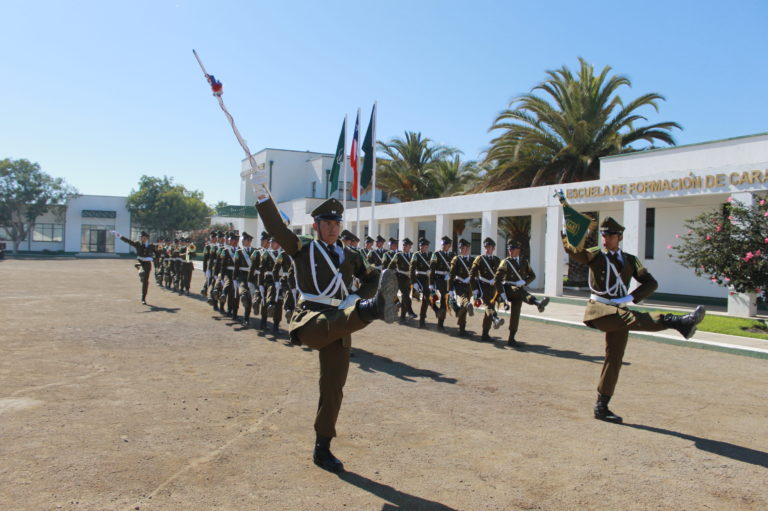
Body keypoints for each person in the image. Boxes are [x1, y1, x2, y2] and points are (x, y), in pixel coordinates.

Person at [255, 194, 398, 473]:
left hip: (342, 319)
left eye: (336, 223)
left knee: (333, 388)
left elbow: (372, 276)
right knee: (332, 323)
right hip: (311, 319)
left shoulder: (351, 255)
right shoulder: (303, 249)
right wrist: (263, 196)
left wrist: (354, 296)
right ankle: (373, 309)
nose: (333, 228)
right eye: (327, 223)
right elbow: (276, 228)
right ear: (315, 226)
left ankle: (322, 449)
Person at [563, 216, 705, 424]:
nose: (605, 238)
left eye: (610, 235)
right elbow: (575, 252)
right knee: (632, 318)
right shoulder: (595, 255)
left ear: (619, 237)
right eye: (603, 234)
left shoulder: (630, 260)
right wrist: (568, 236)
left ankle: (601, 406)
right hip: (600, 311)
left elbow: (650, 282)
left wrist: (630, 297)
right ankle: (676, 321)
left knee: (615, 358)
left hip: (619, 310)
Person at [494, 240, 549, 346]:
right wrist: (502, 294)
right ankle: (537, 303)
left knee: (516, 314)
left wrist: (524, 281)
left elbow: (532, 275)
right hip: (508, 289)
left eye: (512, 249)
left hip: (519, 291)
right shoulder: (505, 262)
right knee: (519, 291)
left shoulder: (524, 262)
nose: (510, 251)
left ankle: (511, 339)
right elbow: (497, 279)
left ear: (518, 250)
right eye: (509, 249)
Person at [470, 237, 505, 341]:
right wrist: (475, 289)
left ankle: (485, 333)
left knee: (489, 309)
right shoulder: (479, 259)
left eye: (489, 247)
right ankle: (495, 318)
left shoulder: (497, 260)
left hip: (493, 288)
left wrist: (500, 289)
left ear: (493, 248)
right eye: (486, 247)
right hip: (482, 286)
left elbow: (501, 275)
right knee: (488, 306)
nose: (487, 249)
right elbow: (472, 274)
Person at [112, 230, 158, 304]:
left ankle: (143, 298)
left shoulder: (151, 246)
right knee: (141, 272)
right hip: (140, 262)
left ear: (147, 238)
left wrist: (154, 258)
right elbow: (129, 241)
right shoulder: (138, 244)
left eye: (143, 237)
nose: (142, 239)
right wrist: (120, 236)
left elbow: (157, 254)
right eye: (142, 237)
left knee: (145, 282)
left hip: (147, 264)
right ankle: (140, 271)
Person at [448, 238, 475, 336]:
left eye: (463, 247)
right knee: (464, 300)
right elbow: (451, 275)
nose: (461, 249)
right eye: (460, 247)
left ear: (468, 248)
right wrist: (450, 289)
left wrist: (471, 279)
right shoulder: (456, 259)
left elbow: (476, 273)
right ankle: (468, 305)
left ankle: (462, 328)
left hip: (469, 286)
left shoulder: (472, 260)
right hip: (459, 284)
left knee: (463, 308)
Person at [387, 237, 417, 322]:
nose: (404, 247)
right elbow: (390, 266)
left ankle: (403, 316)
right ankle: (410, 312)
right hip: (399, 277)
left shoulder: (413, 256)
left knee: (406, 297)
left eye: (406, 245)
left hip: (408, 278)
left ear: (410, 247)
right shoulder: (398, 255)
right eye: (403, 245)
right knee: (405, 295)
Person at [429, 236, 455, 331]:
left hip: (447, 280)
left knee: (445, 301)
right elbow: (432, 269)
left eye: (446, 244)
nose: (444, 246)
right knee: (443, 298)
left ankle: (440, 323)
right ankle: (438, 319)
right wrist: (431, 283)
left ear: (450, 245)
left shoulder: (452, 255)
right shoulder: (436, 254)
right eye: (443, 244)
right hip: (438, 279)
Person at [409, 237, 434, 329]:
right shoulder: (416, 255)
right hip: (419, 278)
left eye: (423, 246)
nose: (421, 247)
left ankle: (422, 319)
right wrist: (414, 282)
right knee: (418, 298)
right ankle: (418, 318)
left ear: (427, 246)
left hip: (427, 279)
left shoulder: (431, 255)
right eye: (420, 245)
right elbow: (412, 269)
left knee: (427, 299)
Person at [233, 232, 256, 327]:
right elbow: (236, 266)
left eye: (244, 240)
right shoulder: (239, 252)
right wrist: (234, 278)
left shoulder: (255, 251)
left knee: (250, 298)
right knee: (243, 291)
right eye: (242, 240)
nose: (242, 241)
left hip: (252, 277)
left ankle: (246, 319)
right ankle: (242, 296)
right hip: (242, 275)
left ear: (249, 241)